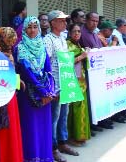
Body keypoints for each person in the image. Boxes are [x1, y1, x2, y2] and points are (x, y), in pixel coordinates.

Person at [15, 16, 54, 162]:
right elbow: (26, 72)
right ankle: (32, 157)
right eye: (29, 27)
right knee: (31, 127)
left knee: (44, 128)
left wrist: (50, 90)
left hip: (45, 96)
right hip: (28, 95)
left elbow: (48, 70)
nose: (32, 30)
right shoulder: (20, 48)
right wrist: (43, 92)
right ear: (24, 29)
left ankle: (45, 156)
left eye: (35, 27)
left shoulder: (42, 47)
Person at [43, 10, 78, 162]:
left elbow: (65, 61)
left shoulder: (63, 38)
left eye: (65, 20)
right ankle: (53, 147)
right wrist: (52, 87)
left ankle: (63, 142)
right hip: (55, 84)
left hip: (65, 81)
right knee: (55, 116)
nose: (65, 23)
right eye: (61, 20)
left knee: (64, 113)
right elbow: (47, 64)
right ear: (53, 23)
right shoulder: (48, 40)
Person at [0, 27, 24, 162]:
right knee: (5, 131)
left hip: (11, 97)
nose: (11, 43)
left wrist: (18, 80)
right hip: (1, 98)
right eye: (9, 40)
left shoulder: (8, 53)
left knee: (11, 130)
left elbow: (10, 75)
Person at [66, 23, 91, 146]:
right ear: (69, 33)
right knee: (74, 110)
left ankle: (81, 135)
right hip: (72, 81)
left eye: (79, 31)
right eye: (74, 31)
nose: (77, 34)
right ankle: (73, 136)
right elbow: (67, 62)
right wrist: (81, 56)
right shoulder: (67, 45)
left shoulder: (78, 45)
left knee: (82, 108)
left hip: (82, 81)